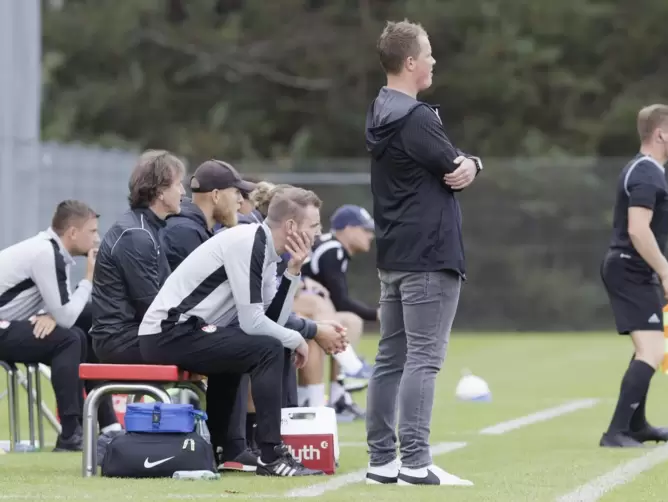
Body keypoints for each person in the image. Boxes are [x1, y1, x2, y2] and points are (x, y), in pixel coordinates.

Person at [161, 161, 347, 471]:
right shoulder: (249, 242)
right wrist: (298, 338)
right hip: (168, 332)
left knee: (263, 342)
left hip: (190, 331)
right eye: (314, 226)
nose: (318, 233)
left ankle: (229, 450)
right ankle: (271, 454)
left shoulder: (264, 246)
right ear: (290, 227)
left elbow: (270, 318)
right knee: (267, 347)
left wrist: (293, 271)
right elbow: (252, 322)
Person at [363, 20, 482, 486]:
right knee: (423, 360)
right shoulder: (416, 117)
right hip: (429, 256)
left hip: (393, 256)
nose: (433, 60)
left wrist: (469, 163)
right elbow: (454, 166)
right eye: (428, 53)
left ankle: (380, 461)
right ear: (410, 62)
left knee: (390, 359)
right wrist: (474, 162)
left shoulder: (378, 111)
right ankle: (414, 461)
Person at [599, 104, 668, 448]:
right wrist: (664, 271)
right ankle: (616, 433)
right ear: (660, 134)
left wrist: (663, 265)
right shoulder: (647, 172)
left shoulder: (647, 171)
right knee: (651, 349)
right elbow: (637, 230)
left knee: (650, 347)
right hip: (628, 268)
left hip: (634, 267)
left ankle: (635, 426)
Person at [0, 200, 121, 451]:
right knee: (69, 338)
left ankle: (108, 425)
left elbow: (64, 310)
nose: (97, 239)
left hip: (10, 324)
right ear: (73, 233)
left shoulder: (55, 253)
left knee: (89, 322)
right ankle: (70, 434)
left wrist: (52, 315)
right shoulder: (46, 253)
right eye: (92, 231)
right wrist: (89, 278)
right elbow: (65, 316)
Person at [89, 149, 186, 364]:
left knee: (221, 344)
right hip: (120, 340)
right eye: (178, 184)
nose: (183, 192)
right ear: (160, 191)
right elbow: (152, 307)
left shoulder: (149, 228)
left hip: (134, 334)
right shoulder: (137, 235)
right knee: (218, 349)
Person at [298, 204, 379, 421]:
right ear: (348, 229)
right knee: (335, 323)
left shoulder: (333, 248)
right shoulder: (332, 249)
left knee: (351, 322)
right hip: (297, 308)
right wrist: (377, 314)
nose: (370, 235)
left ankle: (339, 395)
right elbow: (340, 300)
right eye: (365, 229)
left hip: (306, 308)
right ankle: (317, 393)